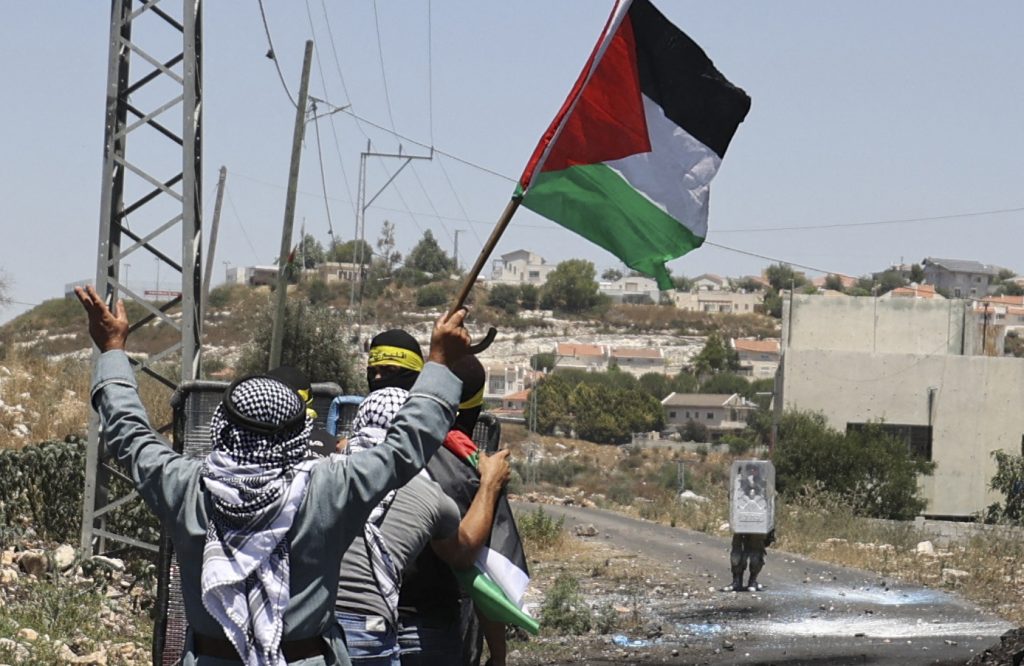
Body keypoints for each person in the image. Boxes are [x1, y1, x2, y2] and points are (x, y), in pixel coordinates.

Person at [76, 284, 470, 666]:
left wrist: (112, 350)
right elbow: (404, 447)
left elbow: (128, 431)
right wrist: (438, 363)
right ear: (300, 433)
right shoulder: (329, 489)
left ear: (223, 426)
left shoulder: (186, 487)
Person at [333, 387, 511, 665]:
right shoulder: (429, 493)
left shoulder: (321, 475)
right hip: (390, 628)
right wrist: (490, 484)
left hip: (318, 628)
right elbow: (464, 555)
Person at [398, 355, 527, 666]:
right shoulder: (473, 472)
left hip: (364, 625)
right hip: (433, 626)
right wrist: (498, 655)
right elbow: (482, 569)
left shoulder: (385, 449)